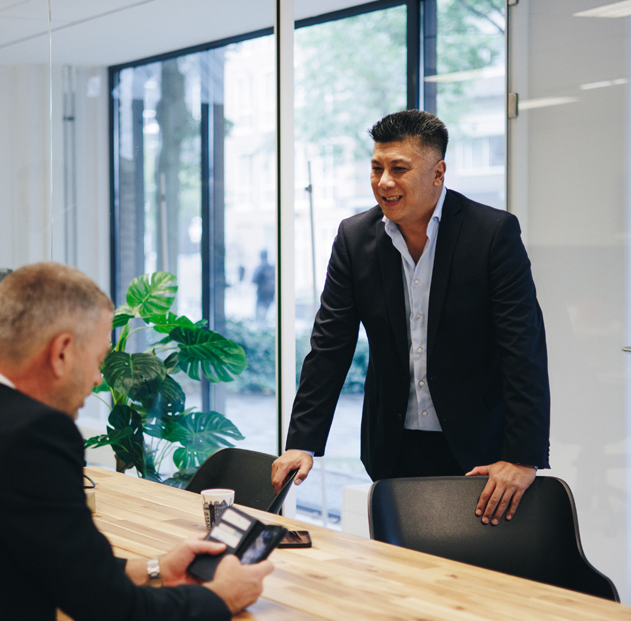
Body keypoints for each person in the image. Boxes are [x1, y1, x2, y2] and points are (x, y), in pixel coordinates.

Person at [272, 110, 550, 525]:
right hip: (392, 445)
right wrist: (302, 442)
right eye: (377, 168)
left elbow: (522, 348)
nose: (384, 182)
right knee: (397, 574)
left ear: (438, 173)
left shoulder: (492, 234)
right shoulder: (354, 238)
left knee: (473, 579)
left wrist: (522, 456)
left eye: (399, 169)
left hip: (481, 453)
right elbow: (330, 345)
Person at [0, 263, 273, 621]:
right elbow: (111, 609)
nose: (100, 378)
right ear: (62, 352)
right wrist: (221, 598)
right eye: (99, 360)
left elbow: (61, 563)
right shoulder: (35, 434)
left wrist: (156, 568)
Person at [252, 250, 275, 321]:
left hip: (262, 296)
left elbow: (254, 281)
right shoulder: (272, 268)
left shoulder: (260, 268)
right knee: (265, 317)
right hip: (270, 296)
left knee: (260, 318)